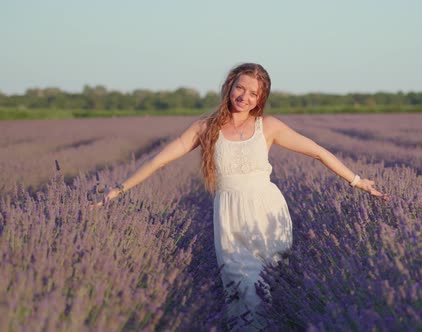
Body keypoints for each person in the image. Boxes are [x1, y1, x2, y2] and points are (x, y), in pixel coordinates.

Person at [97, 63, 388, 330]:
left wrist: (358, 181)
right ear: (229, 86)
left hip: (267, 214)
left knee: (270, 287)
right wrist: (119, 190)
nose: (244, 96)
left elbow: (318, 151)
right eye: (240, 88)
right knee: (240, 288)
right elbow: (159, 160)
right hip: (230, 219)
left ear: (260, 99)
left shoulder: (269, 126)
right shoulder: (206, 128)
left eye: (253, 93)